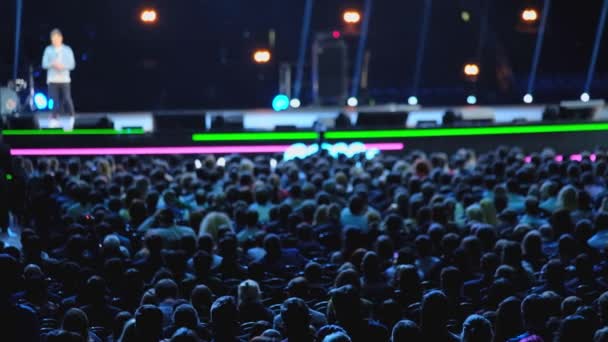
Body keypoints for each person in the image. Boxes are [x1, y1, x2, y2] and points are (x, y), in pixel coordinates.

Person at [42, 28, 76, 128]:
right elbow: (44, 64)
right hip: (52, 79)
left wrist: (63, 66)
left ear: (61, 38)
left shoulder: (67, 49)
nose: (54, 41)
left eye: (56, 39)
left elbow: (72, 64)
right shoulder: (48, 49)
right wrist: (52, 64)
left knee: (67, 98)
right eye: (52, 39)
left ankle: (72, 116)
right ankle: (54, 118)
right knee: (53, 100)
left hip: (64, 79)